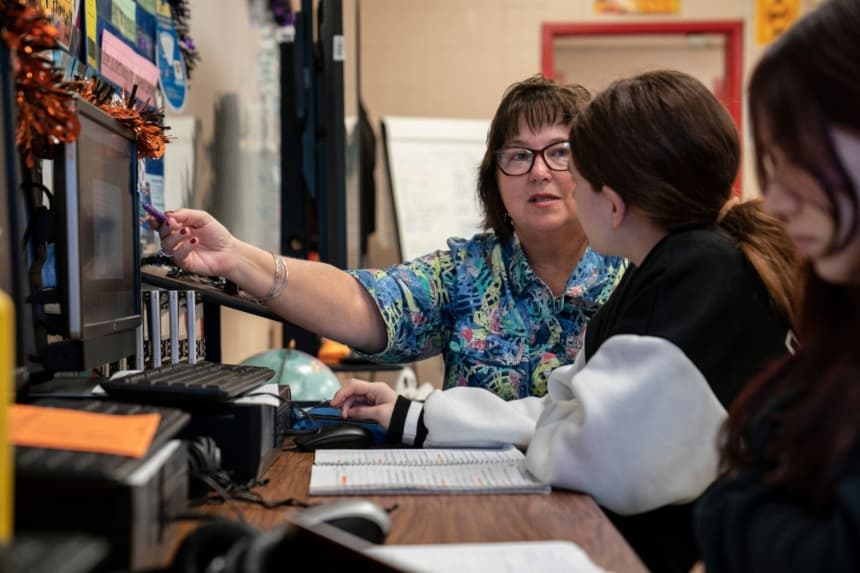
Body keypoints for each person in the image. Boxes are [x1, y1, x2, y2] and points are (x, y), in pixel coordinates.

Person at [331, 70, 800, 573]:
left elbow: (589, 453)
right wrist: (418, 416)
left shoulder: (692, 274)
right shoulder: (676, 267)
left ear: (612, 202)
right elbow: (565, 407)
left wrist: (558, 429)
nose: (552, 179)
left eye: (573, 171)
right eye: (519, 157)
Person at [155, 75, 626, 400]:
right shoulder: (468, 274)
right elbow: (365, 301)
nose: (539, 171)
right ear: (495, 183)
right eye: (518, 156)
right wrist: (234, 257)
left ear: (593, 170)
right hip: (481, 504)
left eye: (560, 152)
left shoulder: (637, 272)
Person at [693, 0, 860, 570]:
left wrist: (732, 514)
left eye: (800, 159)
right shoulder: (835, 314)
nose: (780, 202)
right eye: (774, 164)